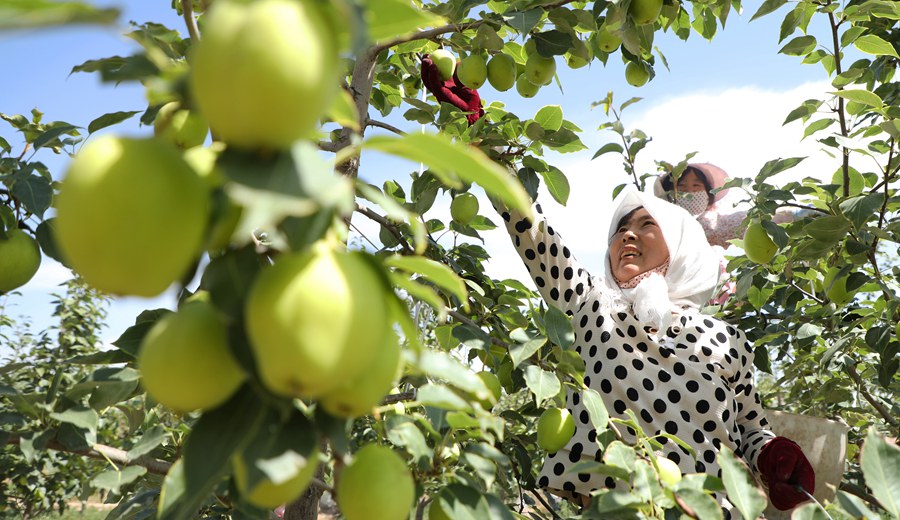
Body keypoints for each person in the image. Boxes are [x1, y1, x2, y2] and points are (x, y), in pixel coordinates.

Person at [495, 187, 815, 516]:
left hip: (718, 509)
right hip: (618, 509)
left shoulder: (727, 339)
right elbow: (534, 235)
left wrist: (774, 454)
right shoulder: (592, 306)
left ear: (680, 243)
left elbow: (749, 428)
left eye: (646, 223)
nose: (627, 235)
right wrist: (498, 168)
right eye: (619, 229)